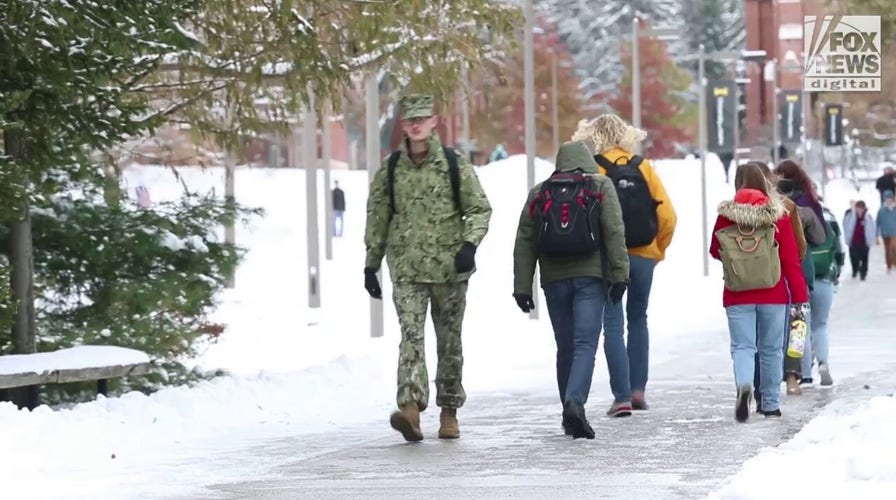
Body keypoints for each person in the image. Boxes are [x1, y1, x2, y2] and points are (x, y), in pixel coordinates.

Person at [363, 94, 492, 442]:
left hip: (450, 268)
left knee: (449, 342)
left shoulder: (453, 164)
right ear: (403, 124)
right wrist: (370, 264)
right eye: (410, 120)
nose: (416, 124)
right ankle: (410, 410)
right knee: (411, 338)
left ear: (434, 121)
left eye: (423, 118)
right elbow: (378, 217)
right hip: (406, 268)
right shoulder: (390, 168)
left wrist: (469, 245)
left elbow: (479, 208)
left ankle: (449, 411)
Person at [512, 140, 630, 438]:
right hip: (591, 278)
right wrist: (620, 276)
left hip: (553, 280)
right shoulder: (600, 186)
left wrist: (522, 286)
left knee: (564, 345)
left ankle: (569, 411)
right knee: (584, 345)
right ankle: (574, 403)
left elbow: (525, 240)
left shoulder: (540, 192)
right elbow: (614, 231)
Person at [572, 114, 677, 412]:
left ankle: (621, 398)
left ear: (596, 136)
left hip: (608, 258)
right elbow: (668, 216)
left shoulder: (592, 168)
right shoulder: (642, 166)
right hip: (644, 254)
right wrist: (657, 249)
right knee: (639, 319)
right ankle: (638, 390)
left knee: (613, 324)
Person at [709, 163, 808, 421]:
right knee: (771, 350)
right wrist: (799, 296)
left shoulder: (726, 214)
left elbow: (714, 249)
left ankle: (744, 385)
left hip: (737, 293)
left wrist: (740, 259)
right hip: (773, 293)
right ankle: (771, 404)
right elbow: (790, 259)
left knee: (743, 346)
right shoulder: (778, 214)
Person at [774, 159, 827, 395]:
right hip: (799, 273)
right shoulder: (807, 204)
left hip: (773, 274)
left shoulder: (771, 204)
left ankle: (777, 375)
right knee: (798, 325)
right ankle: (798, 375)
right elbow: (820, 237)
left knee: (775, 328)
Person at [801, 204, 845, 388]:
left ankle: (805, 375)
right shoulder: (830, 217)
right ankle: (823, 363)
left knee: (803, 327)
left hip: (802, 281)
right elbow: (839, 249)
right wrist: (836, 272)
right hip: (824, 278)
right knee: (821, 325)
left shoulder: (797, 215)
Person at [843, 200, 876, 281]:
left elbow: (872, 228)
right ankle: (855, 269)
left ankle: (863, 274)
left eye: (861, 208)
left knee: (864, 258)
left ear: (864, 208)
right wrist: (847, 238)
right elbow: (845, 225)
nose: (860, 210)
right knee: (854, 257)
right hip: (853, 241)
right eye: (858, 208)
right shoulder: (850, 216)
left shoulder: (868, 217)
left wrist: (872, 239)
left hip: (864, 242)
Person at [876, 190, 896, 272]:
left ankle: (894, 264)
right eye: (887, 198)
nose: (888, 200)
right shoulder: (881, 210)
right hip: (885, 233)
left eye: (890, 198)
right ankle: (889, 265)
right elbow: (878, 222)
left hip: (894, 232)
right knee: (887, 250)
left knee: (894, 248)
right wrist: (876, 235)